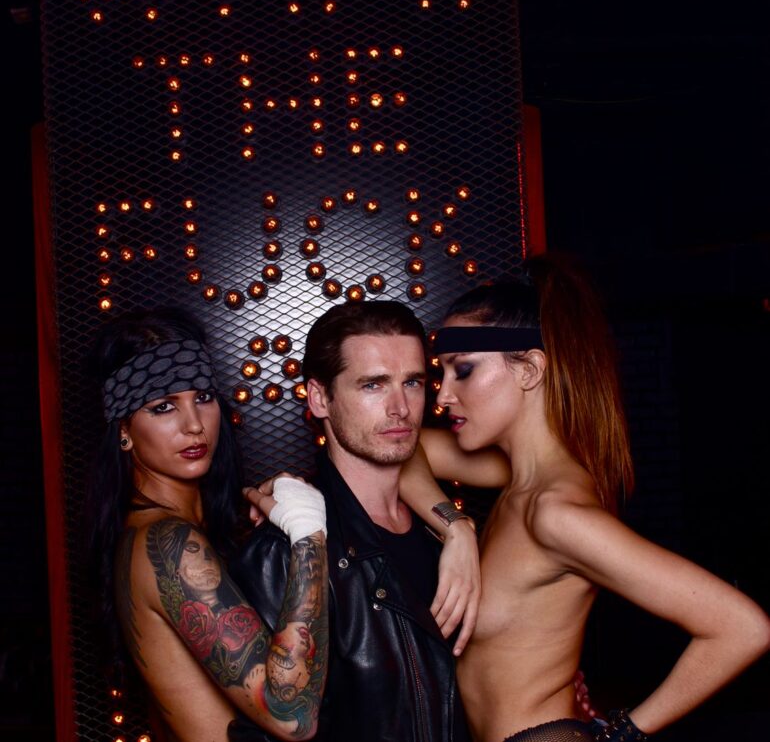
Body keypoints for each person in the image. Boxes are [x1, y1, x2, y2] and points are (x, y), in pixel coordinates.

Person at [398, 253, 770, 742]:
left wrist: (625, 732)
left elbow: (742, 627)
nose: (443, 395)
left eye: (462, 370)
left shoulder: (554, 513)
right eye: (442, 373)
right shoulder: (516, 478)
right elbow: (403, 448)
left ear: (529, 370)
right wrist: (454, 526)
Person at [229, 300, 482, 742]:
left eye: (412, 383)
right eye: (373, 385)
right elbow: (270, 726)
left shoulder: (446, 539)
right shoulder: (284, 551)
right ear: (319, 398)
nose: (400, 408)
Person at [83, 306, 329, 742]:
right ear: (124, 430)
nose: (194, 424)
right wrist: (310, 535)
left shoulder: (166, 531)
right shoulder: (169, 543)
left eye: (203, 397)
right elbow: (292, 716)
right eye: (163, 407)